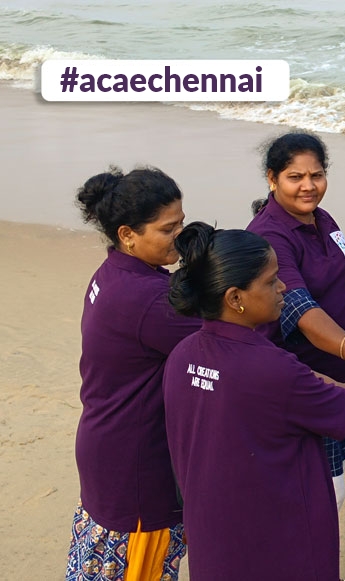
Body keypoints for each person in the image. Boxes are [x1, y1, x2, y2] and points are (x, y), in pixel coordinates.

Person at [163, 223, 345, 581]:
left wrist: (344, 387)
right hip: (273, 537)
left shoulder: (182, 355)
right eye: (270, 281)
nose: (283, 288)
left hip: (211, 530)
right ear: (235, 298)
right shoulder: (268, 367)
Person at [247, 132, 345, 509]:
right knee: (319, 493)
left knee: (330, 481)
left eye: (316, 176)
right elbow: (297, 306)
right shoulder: (269, 236)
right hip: (302, 382)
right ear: (272, 178)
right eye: (295, 177)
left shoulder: (323, 219)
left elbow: (344, 293)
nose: (308, 186)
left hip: (342, 378)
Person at [66, 167, 198, 581]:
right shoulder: (145, 298)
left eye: (181, 222)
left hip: (107, 447)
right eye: (167, 228)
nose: (180, 235)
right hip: (137, 466)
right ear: (128, 235)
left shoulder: (115, 275)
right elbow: (227, 337)